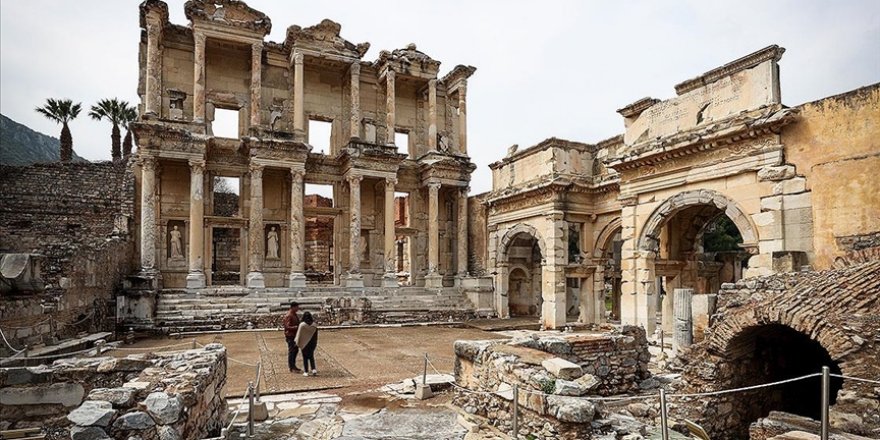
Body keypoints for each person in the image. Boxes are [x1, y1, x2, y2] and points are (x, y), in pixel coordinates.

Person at [295, 311, 318, 376]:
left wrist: (297, 342)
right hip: (312, 343)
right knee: (311, 356)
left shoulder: (302, 325)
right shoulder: (314, 325)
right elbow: (315, 335)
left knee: (305, 357)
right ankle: (313, 369)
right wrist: (315, 342)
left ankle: (306, 371)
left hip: (304, 343)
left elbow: (299, 335)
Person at [282, 302, 301, 372]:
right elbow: (287, 327)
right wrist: (296, 327)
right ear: (293, 307)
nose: (298, 309)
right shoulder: (289, 315)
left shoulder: (293, 314)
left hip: (294, 335)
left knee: (295, 350)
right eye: (297, 307)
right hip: (290, 335)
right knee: (292, 351)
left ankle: (293, 365)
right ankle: (291, 366)